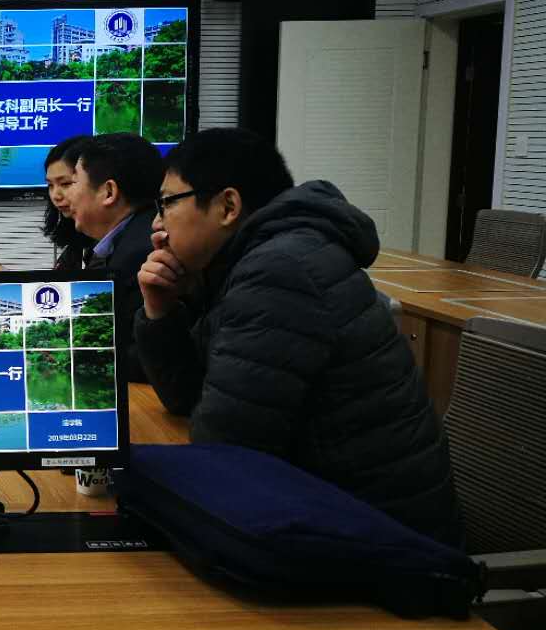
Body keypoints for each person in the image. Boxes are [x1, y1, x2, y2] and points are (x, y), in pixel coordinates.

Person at [134, 128, 459, 545]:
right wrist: (161, 310)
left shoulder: (279, 272)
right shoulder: (253, 262)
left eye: (166, 203)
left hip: (384, 546)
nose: (157, 224)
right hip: (343, 517)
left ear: (228, 206)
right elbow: (185, 398)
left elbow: (224, 454)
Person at [64, 132, 164, 381]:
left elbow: (140, 357)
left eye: (72, 183)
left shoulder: (139, 255)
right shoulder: (131, 237)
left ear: (109, 192)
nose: (66, 196)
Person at [42, 135, 94, 273]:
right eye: (50, 185)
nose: (55, 195)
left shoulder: (117, 245)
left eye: (65, 183)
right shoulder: (76, 244)